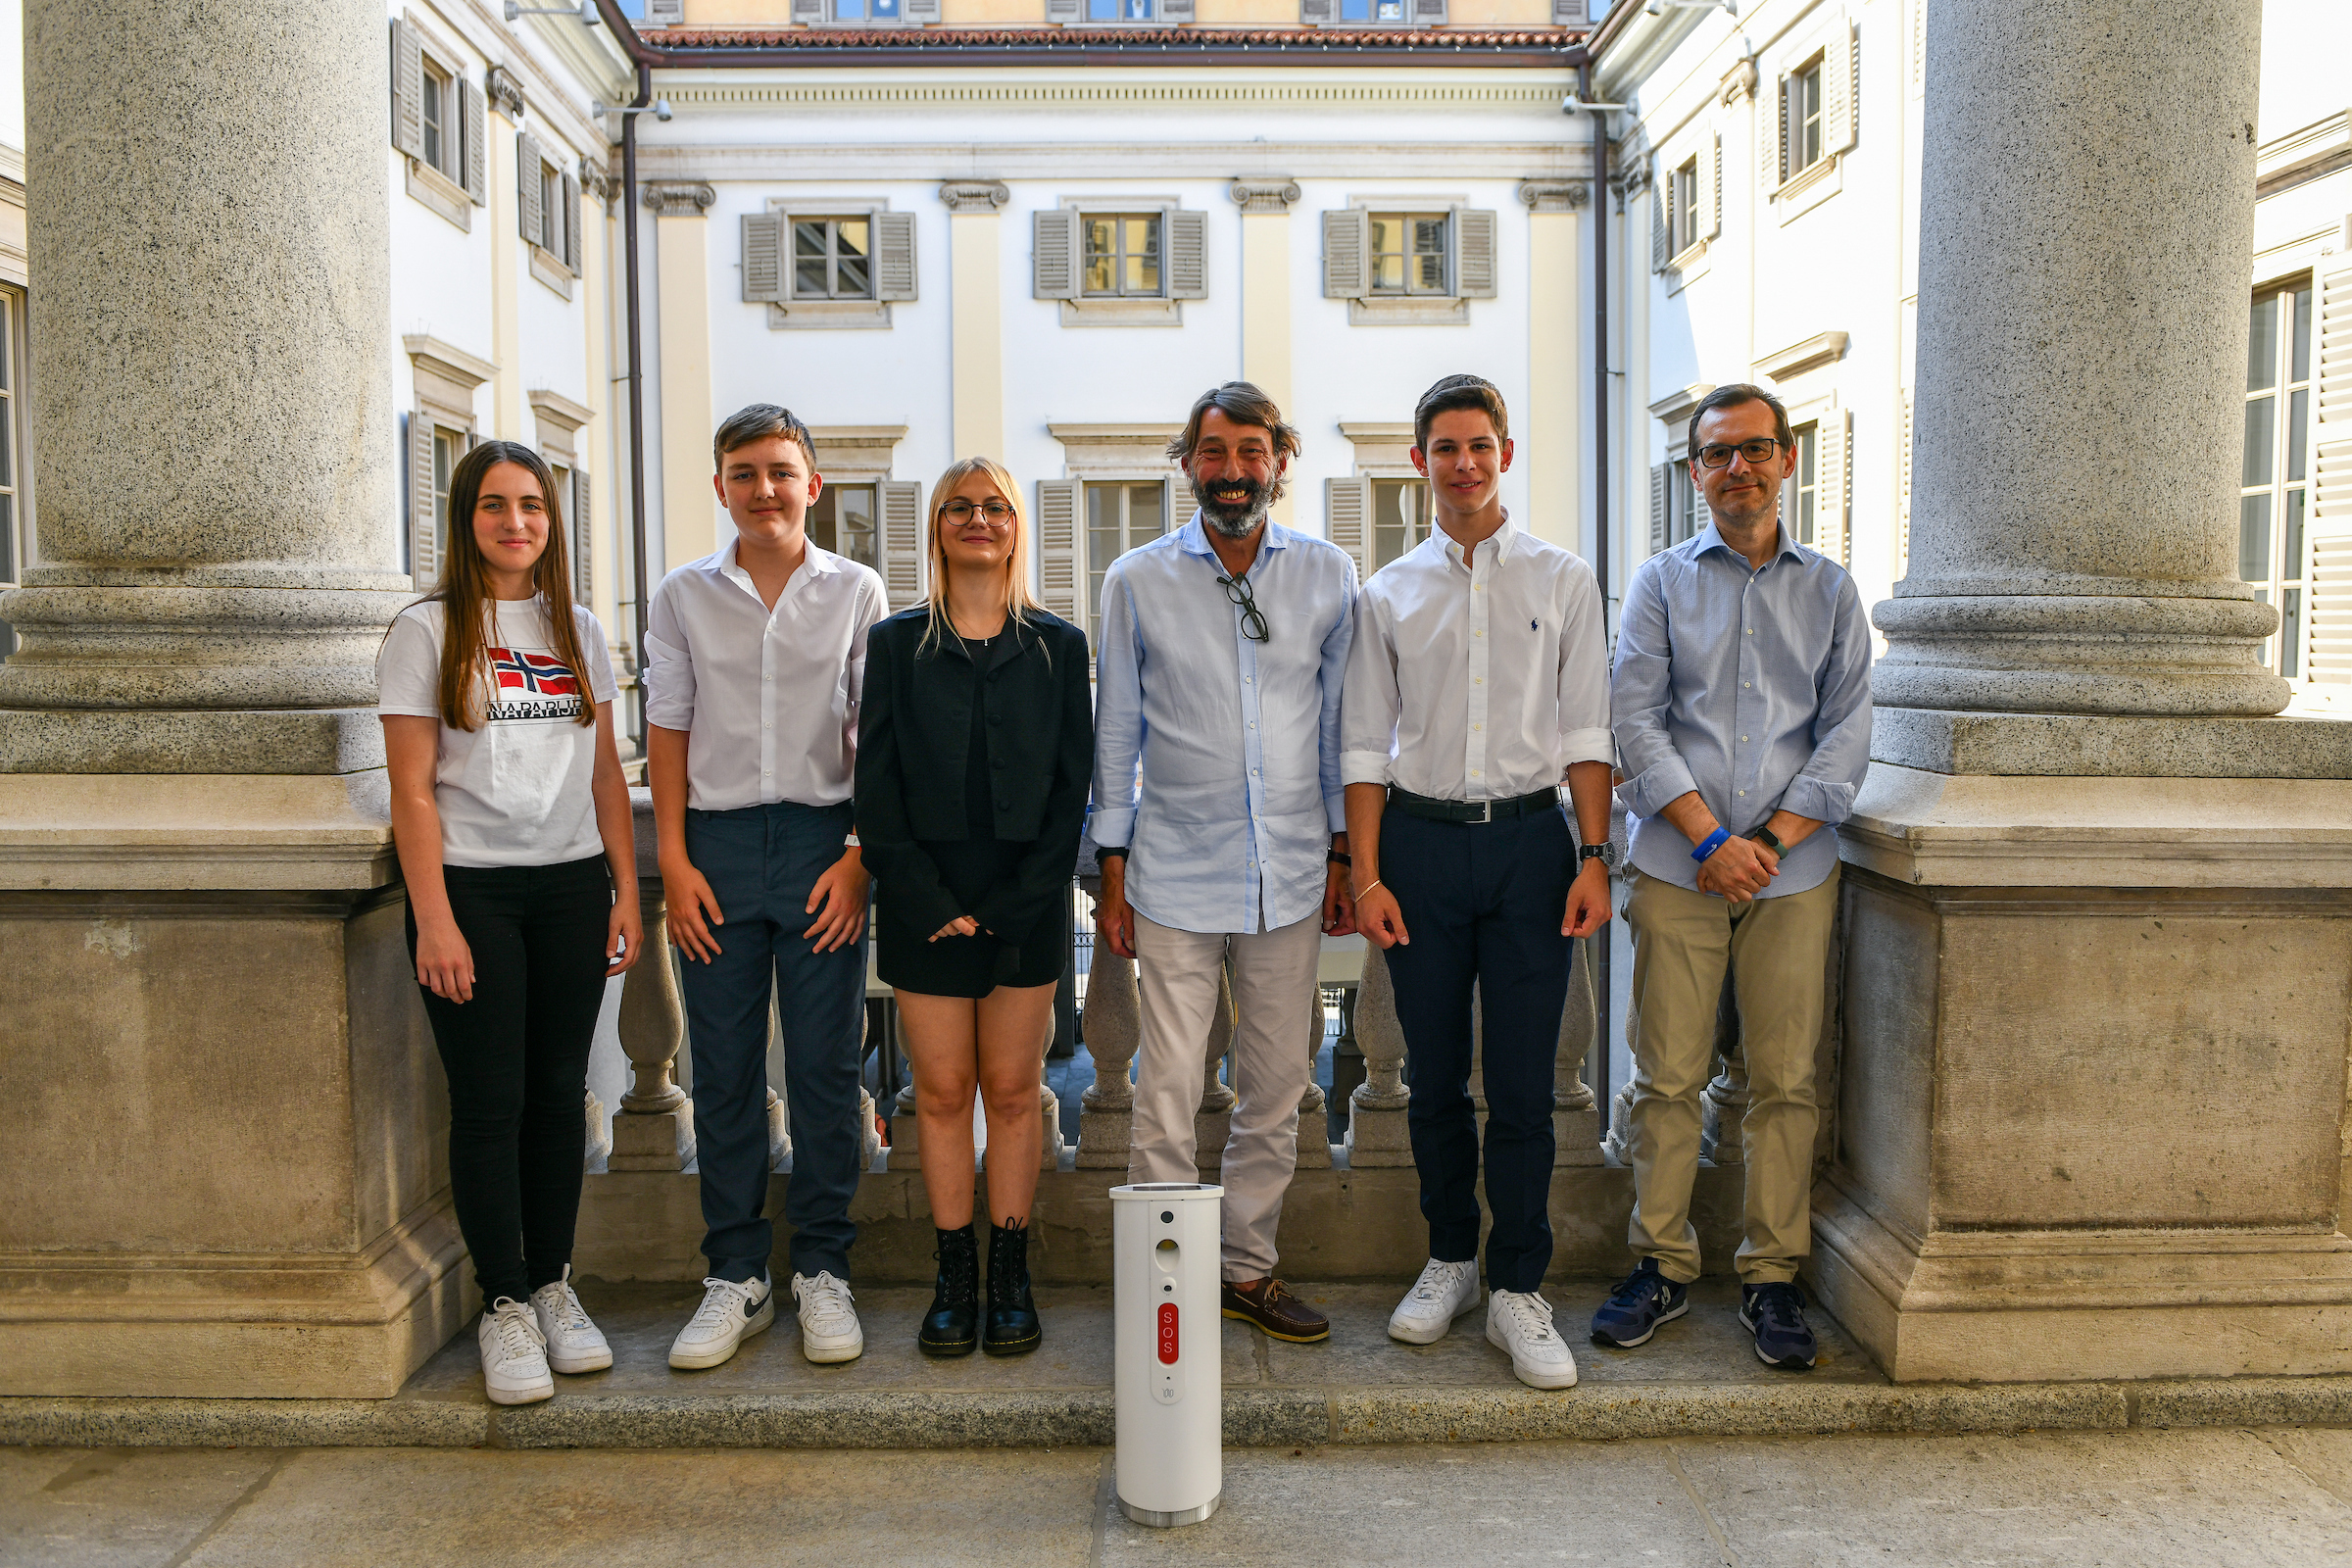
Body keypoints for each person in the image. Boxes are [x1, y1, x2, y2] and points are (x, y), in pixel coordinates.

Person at [1343, 374, 1615, 1392]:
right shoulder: (1387, 593)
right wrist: (1367, 876)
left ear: (1505, 455)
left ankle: (1519, 1287)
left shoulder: (1562, 578)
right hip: (1419, 847)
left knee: (1525, 1085)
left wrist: (1592, 854)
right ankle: (1450, 1257)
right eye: (1444, 447)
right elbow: (1366, 746)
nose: (1463, 463)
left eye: (1480, 446)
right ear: (1420, 461)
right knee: (1431, 1075)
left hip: (1534, 850)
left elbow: (1588, 729)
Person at [1594, 382, 1872, 1371]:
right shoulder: (1660, 583)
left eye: (1754, 449)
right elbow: (1634, 720)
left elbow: (1847, 730)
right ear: (1697, 470)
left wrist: (1776, 838)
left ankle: (1771, 1277)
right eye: (1717, 455)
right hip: (1679, 864)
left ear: (1786, 459)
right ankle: (1661, 1263)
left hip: (1794, 875)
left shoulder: (1832, 589)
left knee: (1786, 1080)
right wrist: (1715, 841)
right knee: (1667, 1075)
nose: (1737, 469)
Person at [1092, 381, 1357, 1346]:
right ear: (1189, 463)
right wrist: (1111, 872)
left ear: (1281, 458)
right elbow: (1115, 730)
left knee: (1279, 1082)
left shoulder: (1330, 575)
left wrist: (1341, 852)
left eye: (1252, 451)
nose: (1235, 470)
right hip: (1170, 874)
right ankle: (1167, 1284)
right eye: (1215, 452)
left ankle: (1246, 1270)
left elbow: (1340, 730)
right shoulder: (1136, 579)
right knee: (1165, 1088)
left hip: (1289, 876)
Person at [377, 440, 640, 1407]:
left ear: (551, 519)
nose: (515, 521)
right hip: (474, 892)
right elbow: (412, 792)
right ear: (466, 518)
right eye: (495, 505)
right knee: (491, 1103)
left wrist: (622, 886)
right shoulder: (426, 630)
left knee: (559, 1092)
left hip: (570, 887)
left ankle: (553, 1283)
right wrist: (435, 919)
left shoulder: (576, 627)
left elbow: (606, 773)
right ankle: (503, 1305)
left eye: (531, 504)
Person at [645, 405, 887, 1371]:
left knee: (827, 1069)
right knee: (725, 1066)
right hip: (717, 847)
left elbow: (876, 730)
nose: (764, 489)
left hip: (827, 841)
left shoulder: (856, 591)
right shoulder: (683, 595)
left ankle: (823, 1268)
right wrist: (672, 859)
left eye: (781, 471)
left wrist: (861, 855)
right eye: (743, 473)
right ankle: (735, 1274)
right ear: (721, 487)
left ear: (812, 484)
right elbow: (668, 723)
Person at [856, 459, 1093, 1357]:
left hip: (1026, 902)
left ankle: (1013, 1273)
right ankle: (955, 1276)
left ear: (1016, 525)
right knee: (945, 1093)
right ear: (937, 527)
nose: (979, 520)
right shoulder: (893, 645)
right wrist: (927, 897)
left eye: (995, 507)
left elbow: (1074, 787)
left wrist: (1010, 902)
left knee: (1016, 1092)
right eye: (960, 507)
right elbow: (873, 789)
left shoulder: (1059, 648)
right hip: (922, 901)